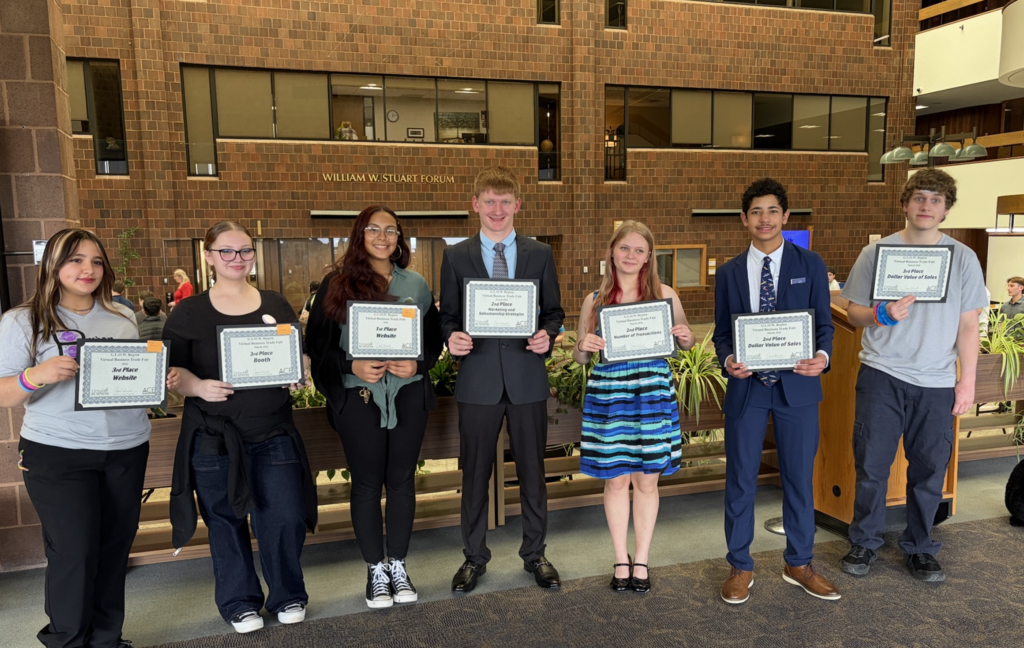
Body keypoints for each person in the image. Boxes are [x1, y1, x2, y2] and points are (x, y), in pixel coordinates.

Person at [0, 228, 179, 648]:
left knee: (114, 548)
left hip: (125, 447)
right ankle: (66, 640)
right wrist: (35, 375)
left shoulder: (120, 317)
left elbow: (126, 379)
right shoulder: (22, 320)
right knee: (74, 551)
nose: (88, 269)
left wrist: (156, 381)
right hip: (57, 452)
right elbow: (3, 391)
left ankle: (106, 639)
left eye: (96, 261)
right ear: (54, 266)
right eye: (76, 260)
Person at [163, 221, 317, 633]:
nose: (237, 259)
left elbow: (294, 352)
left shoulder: (276, 303)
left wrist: (297, 370)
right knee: (225, 521)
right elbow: (169, 370)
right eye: (226, 251)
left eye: (245, 251)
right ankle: (239, 602)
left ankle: (288, 594)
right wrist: (197, 385)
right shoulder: (189, 311)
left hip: (274, 431)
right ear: (209, 256)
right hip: (214, 436)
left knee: (284, 516)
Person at [839, 168, 987, 583]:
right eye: (919, 197)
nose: (926, 206)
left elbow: (969, 325)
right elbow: (852, 314)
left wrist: (967, 380)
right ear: (904, 204)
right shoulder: (877, 254)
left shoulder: (962, 258)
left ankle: (920, 546)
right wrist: (880, 315)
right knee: (872, 465)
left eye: (936, 200)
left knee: (929, 469)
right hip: (882, 373)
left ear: (946, 209)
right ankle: (864, 542)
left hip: (938, 380)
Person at [306, 206, 443, 609]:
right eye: (374, 229)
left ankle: (398, 564)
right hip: (357, 398)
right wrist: (353, 365)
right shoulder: (336, 283)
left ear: (399, 238)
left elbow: (432, 342)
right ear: (359, 234)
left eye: (391, 230)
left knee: (401, 481)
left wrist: (418, 363)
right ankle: (375, 571)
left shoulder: (416, 284)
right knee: (367, 484)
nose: (383, 237)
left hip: (408, 396)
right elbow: (317, 347)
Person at [439, 166, 565, 593]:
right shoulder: (456, 256)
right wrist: (450, 337)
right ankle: (474, 558)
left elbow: (553, 313)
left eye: (505, 202)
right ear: (475, 204)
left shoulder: (540, 253)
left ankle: (536, 554)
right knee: (474, 473)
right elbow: (449, 317)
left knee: (533, 470)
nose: (497, 209)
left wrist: (547, 336)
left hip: (526, 378)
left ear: (518, 206)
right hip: (478, 380)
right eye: (489, 201)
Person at [713, 178, 837, 604]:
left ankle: (799, 562)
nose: (764, 219)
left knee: (800, 479)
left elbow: (824, 325)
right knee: (740, 480)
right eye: (755, 212)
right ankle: (740, 566)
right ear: (744, 219)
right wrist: (727, 360)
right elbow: (722, 334)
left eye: (772, 211)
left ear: (785, 216)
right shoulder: (729, 271)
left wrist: (822, 356)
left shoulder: (811, 264)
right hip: (747, 390)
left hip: (798, 388)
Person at [574, 221, 694, 594]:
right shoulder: (594, 299)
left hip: (651, 394)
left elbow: (686, 342)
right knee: (616, 479)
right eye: (624, 248)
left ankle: (641, 559)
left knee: (646, 480)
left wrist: (687, 336)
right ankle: (620, 558)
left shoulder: (665, 294)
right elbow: (579, 356)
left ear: (648, 257)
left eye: (639, 250)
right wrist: (586, 344)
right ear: (612, 251)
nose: (631, 256)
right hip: (610, 396)